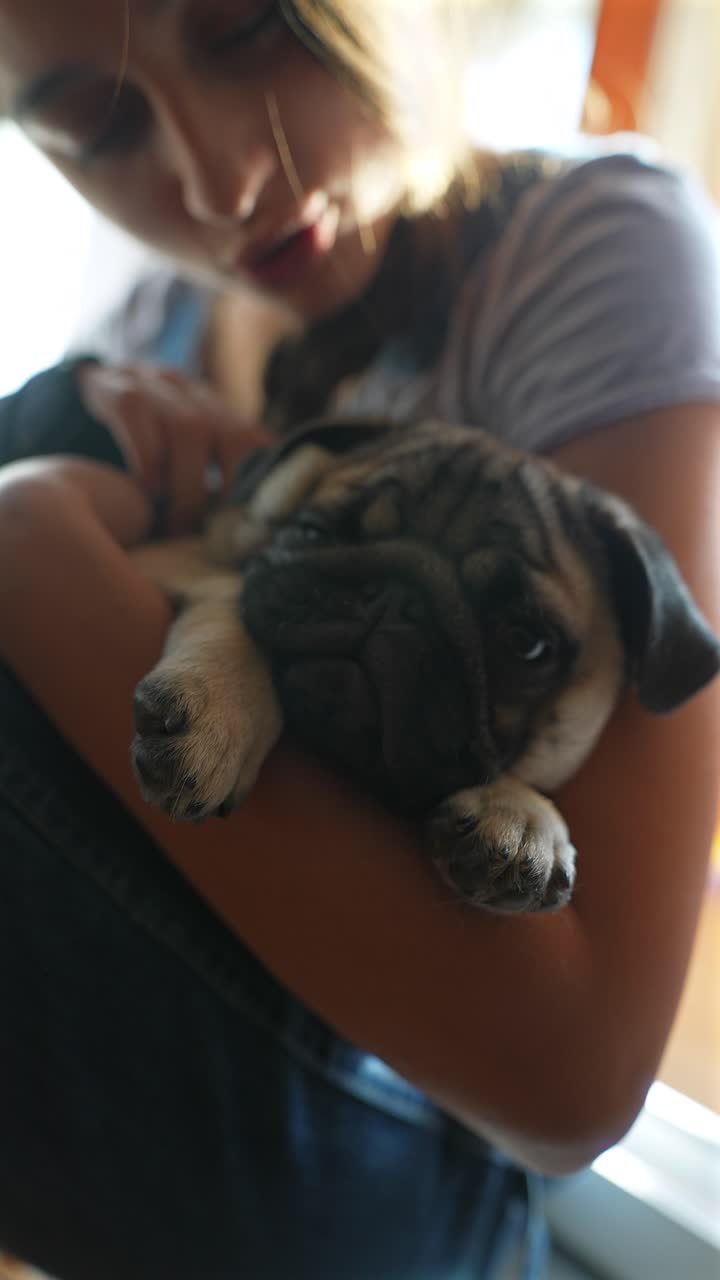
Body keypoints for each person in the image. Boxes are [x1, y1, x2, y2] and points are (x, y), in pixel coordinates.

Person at [1, 2, 720, 1277]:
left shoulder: (584, 251)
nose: (220, 180)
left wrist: (35, 531)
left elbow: (568, 1073)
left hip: (410, 1167)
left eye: (242, 30)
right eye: (98, 123)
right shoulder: (143, 341)